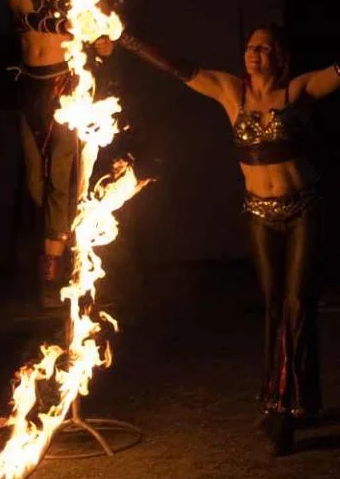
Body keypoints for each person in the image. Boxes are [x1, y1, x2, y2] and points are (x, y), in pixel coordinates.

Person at [122, 24, 340, 456]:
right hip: (259, 215)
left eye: (264, 48)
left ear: (280, 56)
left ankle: (284, 414)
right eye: (249, 46)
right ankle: (297, 399)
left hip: (303, 212)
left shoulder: (299, 91)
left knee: (297, 305)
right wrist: (125, 36)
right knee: (276, 304)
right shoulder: (229, 91)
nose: (253, 53)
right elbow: (179, 69)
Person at [0, 0, 114, 309]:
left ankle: (54, 272)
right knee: (36, 179)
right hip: (31, 84)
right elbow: (23, 14)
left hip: (68, 82)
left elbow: (97, 23)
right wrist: (74, 25)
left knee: (63, 173)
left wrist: (104, 40)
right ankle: (50, 252)